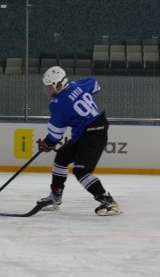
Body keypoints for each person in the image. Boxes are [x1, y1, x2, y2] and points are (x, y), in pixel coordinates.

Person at [36, 66, 122, 216]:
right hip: (87, 131)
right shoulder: (77, 85)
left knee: (81, 170)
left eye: (51, 86)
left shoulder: (57, 104)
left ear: (60, 83)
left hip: (93, 132)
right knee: (62, 156)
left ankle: (108, 201)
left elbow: (56, 135)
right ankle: (55, 197)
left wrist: (47, 144)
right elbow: (94, 84)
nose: (49, 90)